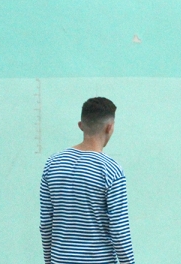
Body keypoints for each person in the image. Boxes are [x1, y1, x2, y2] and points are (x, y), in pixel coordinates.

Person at [40, 97, 135, 264]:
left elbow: (46, 224)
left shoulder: (53, 164)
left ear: (81, 125)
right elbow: (119, 231)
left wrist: (49, 261)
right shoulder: (111, 170)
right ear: (110, 127)